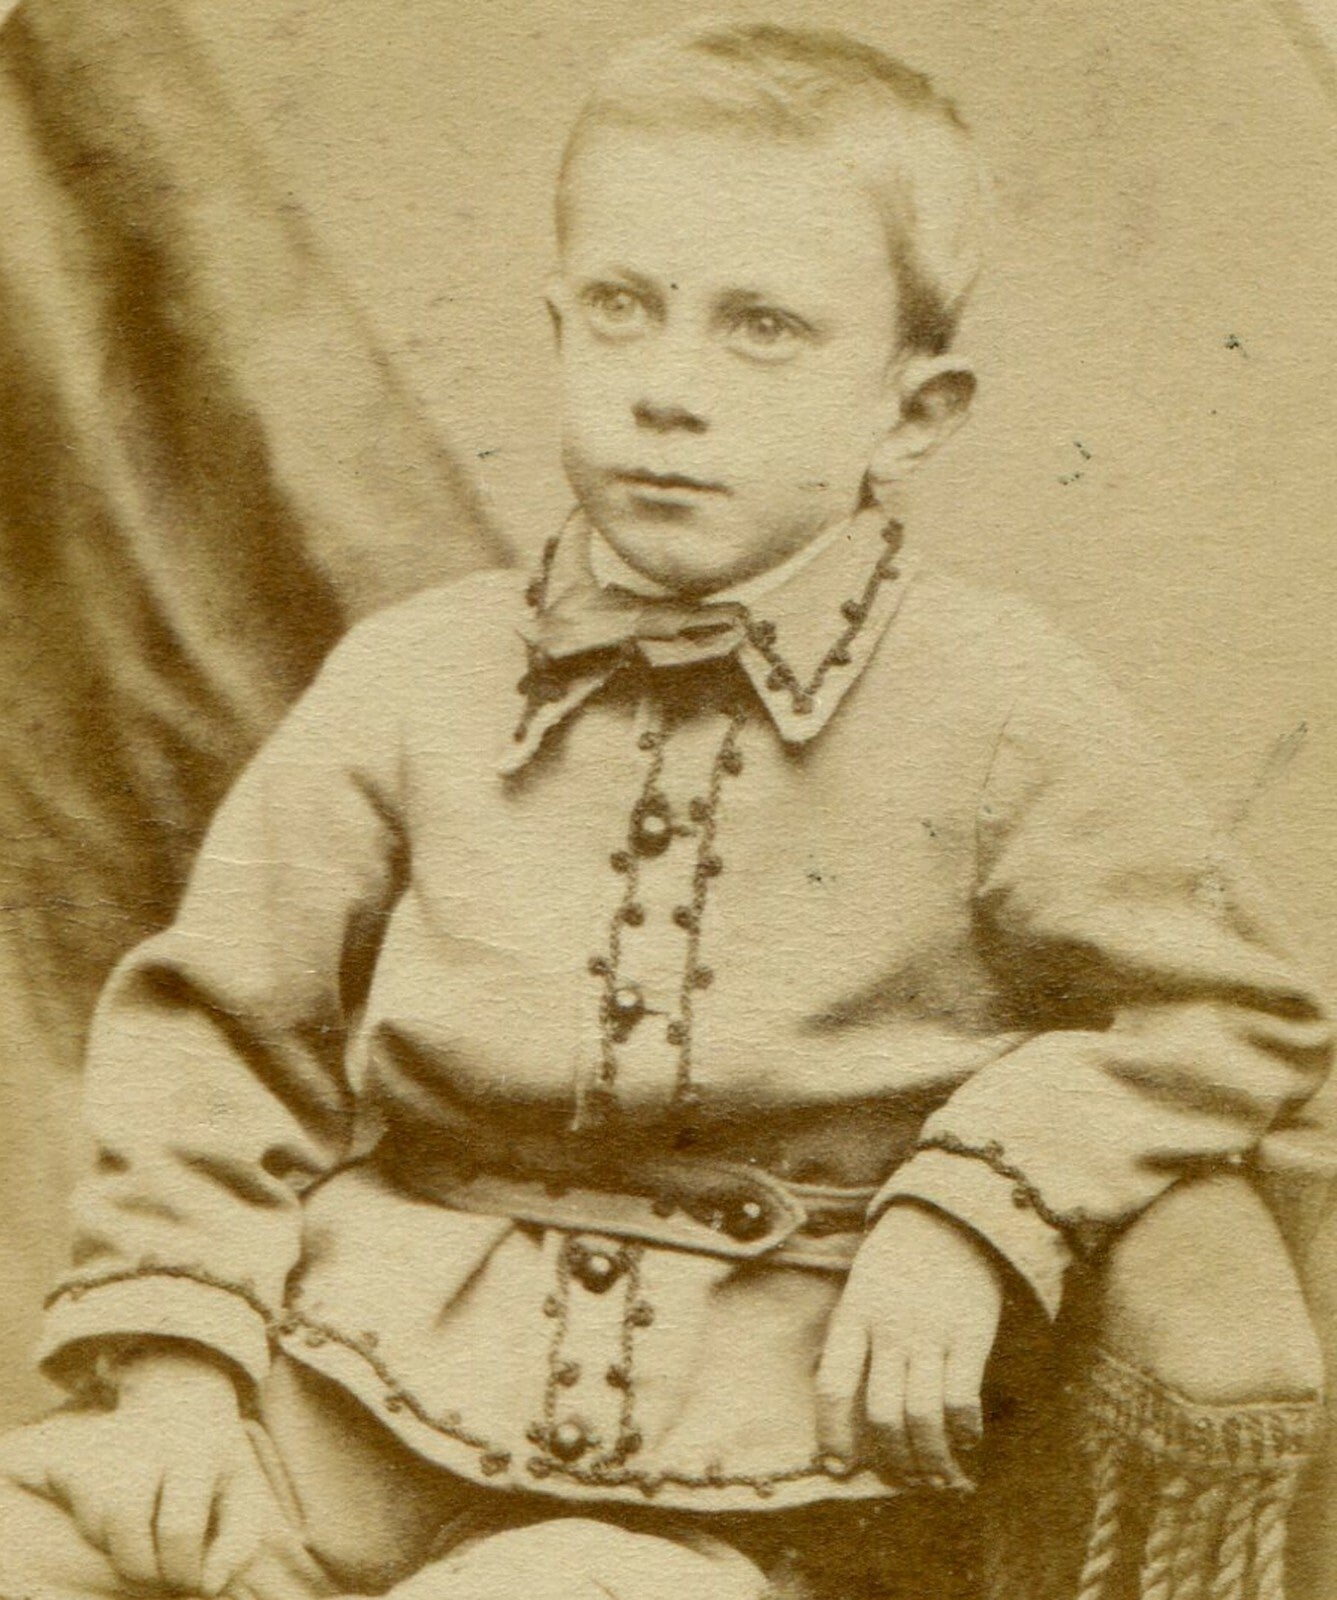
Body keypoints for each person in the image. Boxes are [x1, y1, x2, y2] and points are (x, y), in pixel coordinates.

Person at [0, 22, 1327, 1600]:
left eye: (762, 328)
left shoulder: (998, 699)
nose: (668, 392)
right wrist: (176, 1382)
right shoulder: (414, 673)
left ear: (911, 413)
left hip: (774, 1461)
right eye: (622, 309)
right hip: (367, 1384)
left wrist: (974, 1203)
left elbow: (1229, 1013)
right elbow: (220, 1034)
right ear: (556, 326)